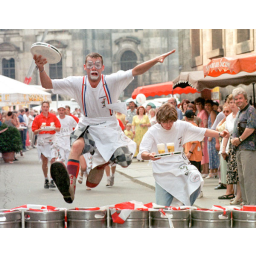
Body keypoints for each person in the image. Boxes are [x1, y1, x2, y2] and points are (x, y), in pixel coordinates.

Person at [34, 49, 176, 203]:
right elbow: (47, 84)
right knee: (76, 146)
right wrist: (41, 68)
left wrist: (155, 59)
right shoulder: (76, 82)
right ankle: (70, 187)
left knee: (125, 161)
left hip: (109, 126)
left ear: (102, 67)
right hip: (87, 124)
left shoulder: (112, 80)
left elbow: (136, 70)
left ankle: (103, 162)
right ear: (85, 67)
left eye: (97, 65)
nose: (93, 67)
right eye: (90, 65)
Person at [138, 103, 229, 206]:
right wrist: (149, 155)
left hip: (179, 167)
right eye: (165, 122)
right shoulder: (153, 131)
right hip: (162, 172)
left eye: (171, 121)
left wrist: (219, 134)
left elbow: (202, 131)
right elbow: (142, 152)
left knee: (196, 179)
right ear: (159, 121)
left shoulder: (180, 125)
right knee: (162, 208)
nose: (168, 125)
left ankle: (185, 206)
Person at [231, 87, 256, 205]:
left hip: (249, 148)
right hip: (239, 149)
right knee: (242, 178)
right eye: (236, 99)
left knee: (249, 178)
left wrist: (239, 139)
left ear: (246, 99)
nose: (238, 101)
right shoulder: (240, 111)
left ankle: (252, 205)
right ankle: (246, 203)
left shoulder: (251, 110)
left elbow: (251, 128)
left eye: (240, 98)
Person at [32, 101, 61, 189]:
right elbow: (34, 131)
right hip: (42, 139)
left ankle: (52, 179)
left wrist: (53, 128)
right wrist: (40, 129)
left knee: (53, 160)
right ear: (41, 107)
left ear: (49, 107)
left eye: (47, 107)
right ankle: (46, 179)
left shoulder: (53, 116)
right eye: (44, 106)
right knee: (45, 161)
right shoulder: (37, 118)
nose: (45, 108)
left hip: (52, 138)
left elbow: (59, 128)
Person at [219, 96, 242, 204]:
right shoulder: (228, 118)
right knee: (233, 173)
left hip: (240, 145)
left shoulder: (240, 115)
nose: (232, 104)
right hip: (231, 146)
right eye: (230, 102)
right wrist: (223, 149)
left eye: (234, 102)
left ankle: (240, 196)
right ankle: (238, 195)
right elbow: (226, 134)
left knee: (240, 172)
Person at [204, 99, 219, 179]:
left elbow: (214, 125)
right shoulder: (211, 113)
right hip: (211, 134)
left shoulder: (213, 113)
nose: (207, 107)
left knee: (212, 154)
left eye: (208, 105)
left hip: (212, 136)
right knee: (212, 153)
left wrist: (210, 136)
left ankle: (212, 171)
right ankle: (214, 171)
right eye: (206, 105)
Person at [195, 97, 209, 177]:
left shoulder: (203, 112)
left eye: (199, 104)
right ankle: (204, 170)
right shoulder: (198, 112)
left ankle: (206, 170)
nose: (198, 105)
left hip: (203, 134)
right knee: (202, 152)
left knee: (205, 153)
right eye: (197, 104)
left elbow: (205, 124)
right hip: (200, 134)